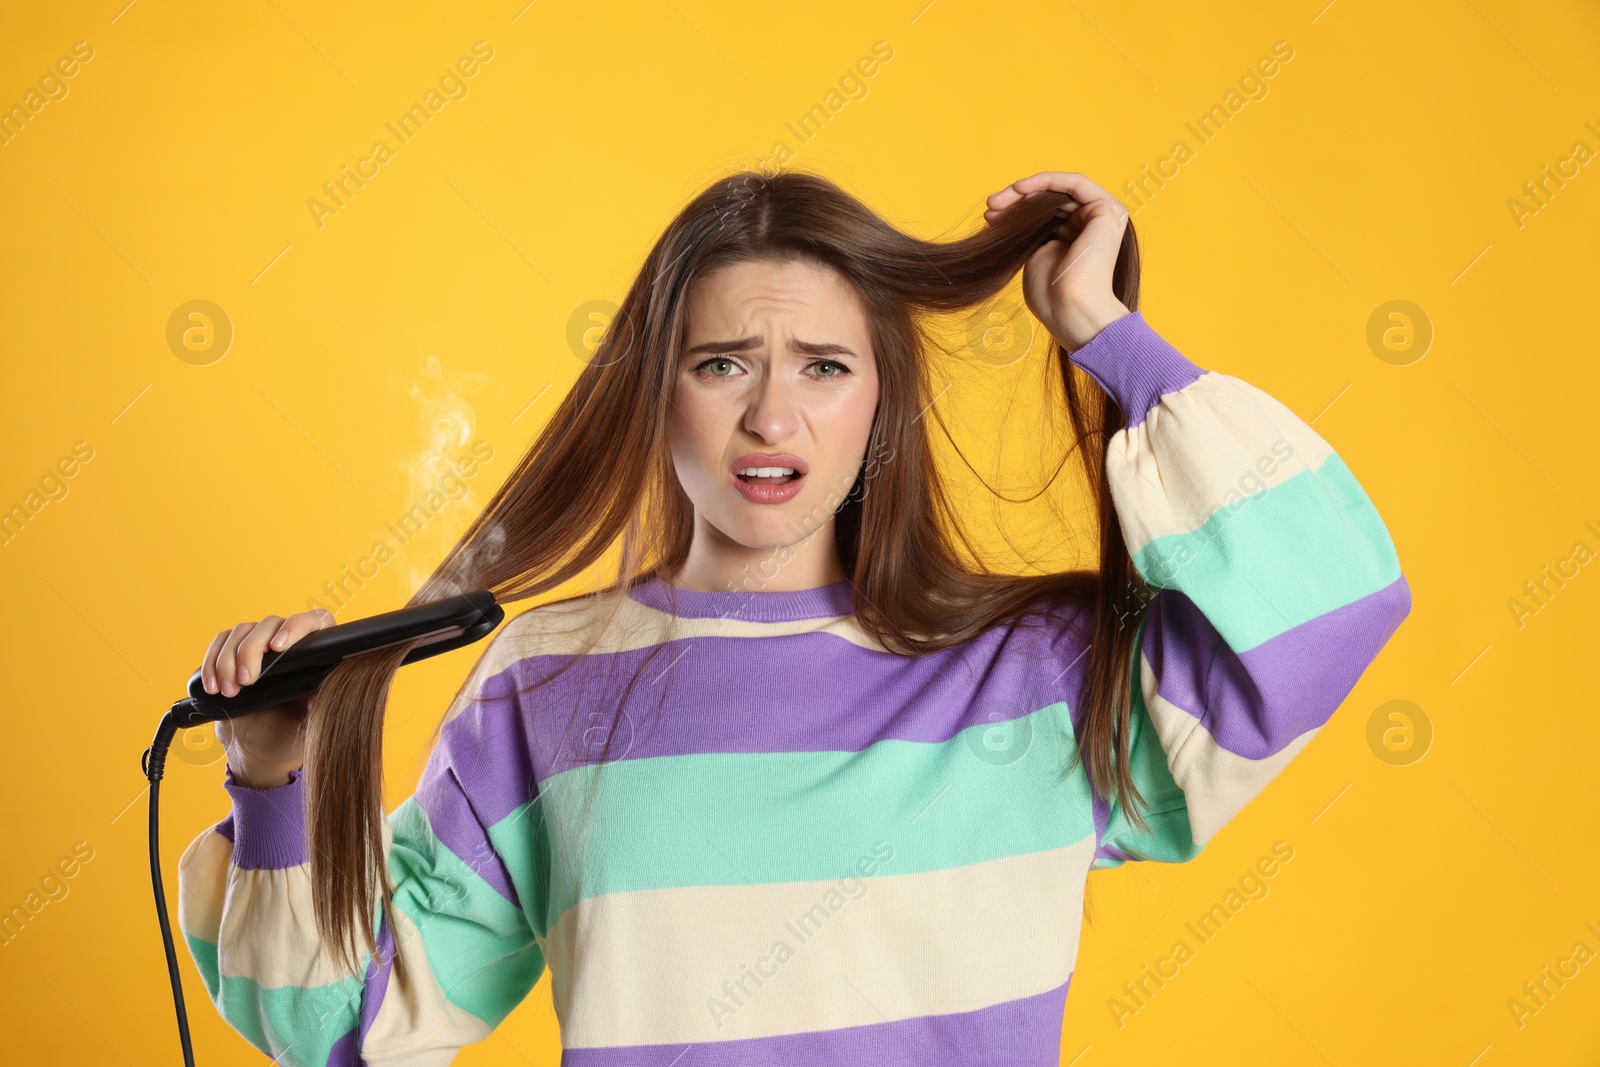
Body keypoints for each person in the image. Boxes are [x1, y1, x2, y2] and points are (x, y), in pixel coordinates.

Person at [176, 169, 1410, 1066]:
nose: (773, 415)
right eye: (722, 364)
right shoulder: (547, 684)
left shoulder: (1031, 674)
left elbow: (1330, 604)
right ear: (655, 395)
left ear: (881, 404)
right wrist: (273, 777)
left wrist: (1103, 330)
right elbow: (337, 1029)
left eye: (824, 365)